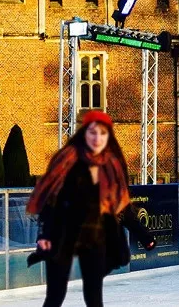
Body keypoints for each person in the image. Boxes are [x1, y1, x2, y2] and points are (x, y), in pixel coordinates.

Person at [26, 111, 155, 307]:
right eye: (93, 132)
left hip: (94, 235)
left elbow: (122, 208)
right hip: (63, 232)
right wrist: (43, 235)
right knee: (56, 294)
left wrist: (144, 236)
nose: (97, 138)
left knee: (94, 295)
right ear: (84, 133)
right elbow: (50, 201)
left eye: (103, 133)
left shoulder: (110, 166)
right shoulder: (67, 160)